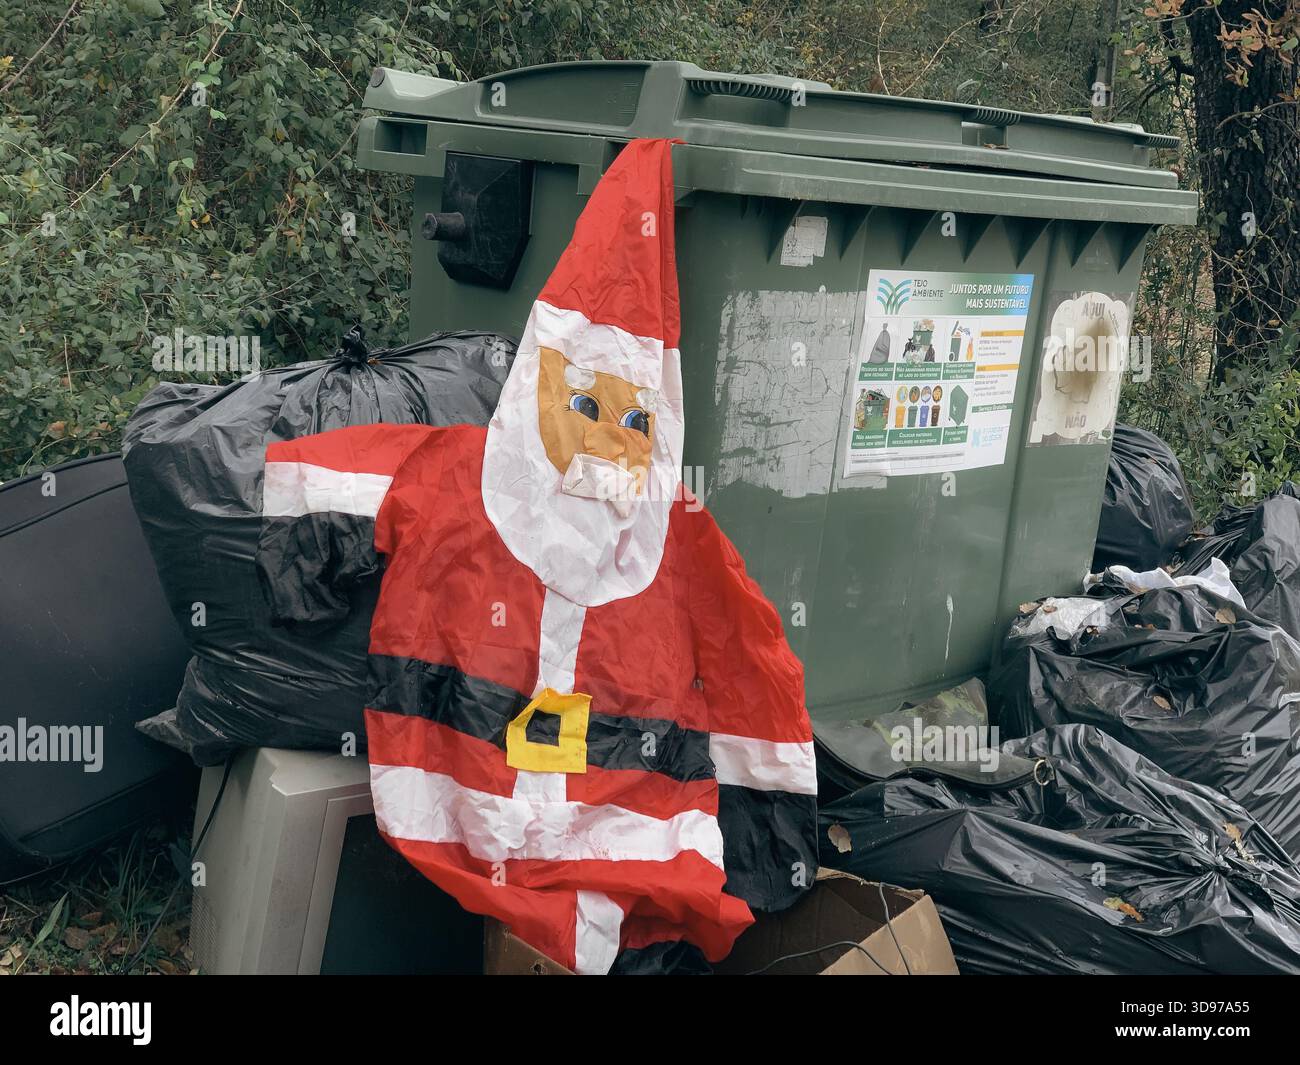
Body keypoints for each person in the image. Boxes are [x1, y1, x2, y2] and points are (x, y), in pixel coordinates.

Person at [255, 140, 817, 974]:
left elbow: (749, 654)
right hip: (457, 790)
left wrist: (767, 827)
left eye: (632, 421)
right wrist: (300, 583)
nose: (601, 437)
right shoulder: (456, 469)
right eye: (584, 404)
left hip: (622, 824)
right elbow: (320, 482)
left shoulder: (680, 531)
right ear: (539, 385)